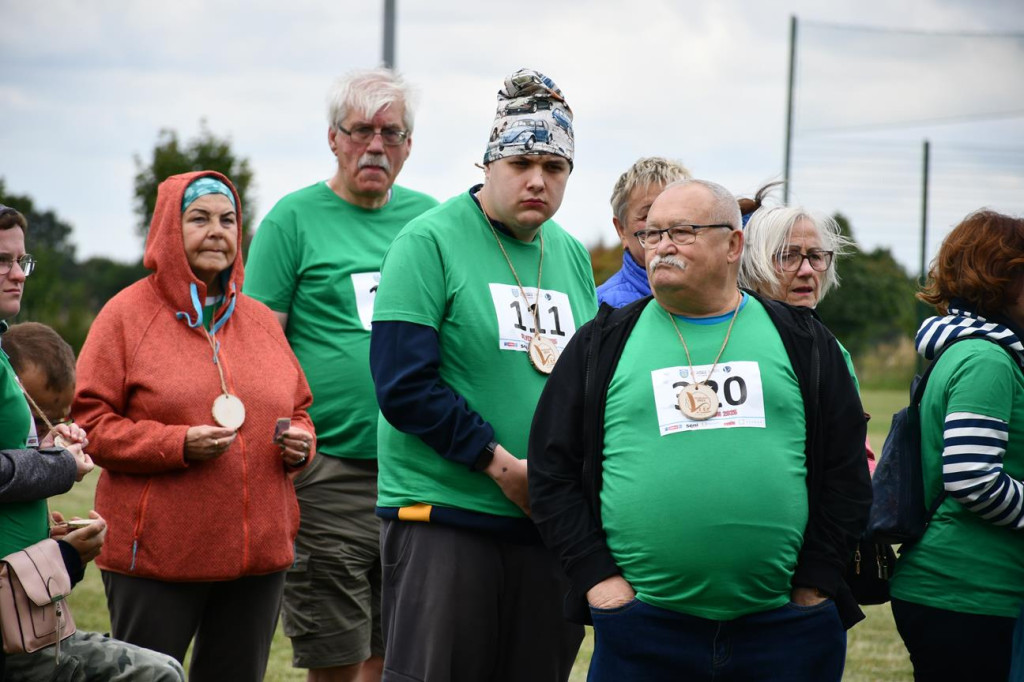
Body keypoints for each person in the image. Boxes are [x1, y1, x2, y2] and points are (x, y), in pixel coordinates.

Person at [528, 179, 872, 681]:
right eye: (653, 234)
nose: (662, 245)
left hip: (785, 631)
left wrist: (815, 584)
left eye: (683, 232)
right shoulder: (600, 343)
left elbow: (846, 469)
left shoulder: (804, 342)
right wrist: (600, 584)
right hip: (642, 632)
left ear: (734, 244)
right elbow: (551, 470)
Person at [369, 68, 596, 682]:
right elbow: (404, 386)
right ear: (489, 162)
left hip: (546, 523)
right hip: (447, 517)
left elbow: (585, 384)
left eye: (555, 168)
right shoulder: (429, 242)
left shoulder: (570, 254)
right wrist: (501, 466)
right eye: (522, 161)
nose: (537, 180)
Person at [72, 172, 316, 682]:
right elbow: (89, 424)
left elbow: (300, 409)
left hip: (259, 560)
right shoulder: (125, 316)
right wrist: (175, 443)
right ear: (168, 229)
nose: (216, 231)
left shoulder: (261, 322)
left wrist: (301, 442)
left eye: (227, 220)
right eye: (199, 218)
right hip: (160, 558)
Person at [243, 68, 437, 682]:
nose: (375, 146)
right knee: (335, 655)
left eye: (391, 133)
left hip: (414, 468)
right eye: (360, 131)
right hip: (327, 472)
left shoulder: (431, 222)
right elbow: (258, 346)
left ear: (409, 144)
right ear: (333, 138)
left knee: (396, 649)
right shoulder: (291, 221)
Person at [0, 206, 183, 682]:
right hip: (13, 628)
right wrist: (59, 464)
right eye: (2, 261)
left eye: (22, 261)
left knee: (164, 671)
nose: (18, 274)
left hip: (30, 613)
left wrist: (62, 552)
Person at [888, 210, 1024, 681]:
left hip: (961, 590)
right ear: (1002, 278)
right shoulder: (987, 359)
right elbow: (972, 477)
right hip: (969, 590)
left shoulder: (966, 348)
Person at [738, 204, 875, 472]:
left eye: (815, 256)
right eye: (788, 256)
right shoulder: (730, 338)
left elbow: (854, 450)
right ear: (753, 265)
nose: (807, 270)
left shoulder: (830, 348)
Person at [596, 157, 690, 307]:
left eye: (678, 213)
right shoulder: (603, 308)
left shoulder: (715, 297)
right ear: (621, 230)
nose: (665, 225)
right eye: (648, 216)